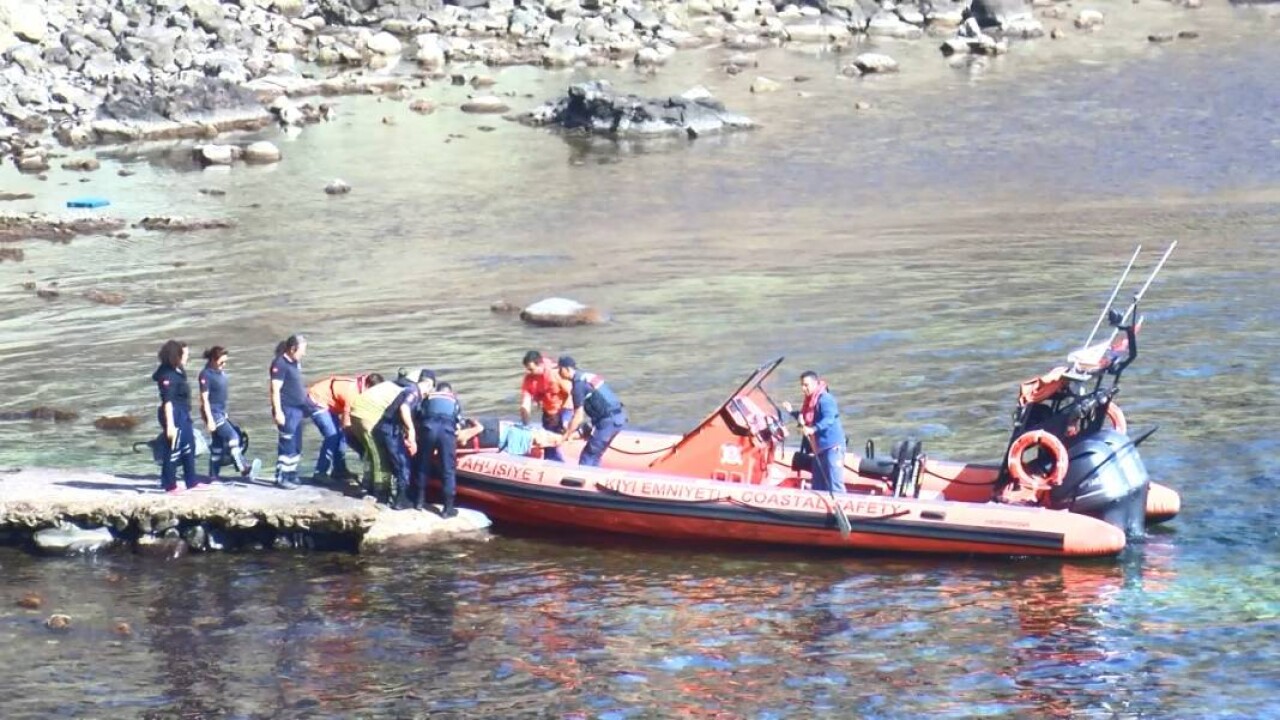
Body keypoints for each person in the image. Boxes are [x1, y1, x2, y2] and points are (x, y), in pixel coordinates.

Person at [375, 369, 435, 509]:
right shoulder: (413, 391)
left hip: (384, 428)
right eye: (430, 389)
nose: (428, 393)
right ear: (428, 384)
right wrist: (411, 431)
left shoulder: (410, 390)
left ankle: (384, 495)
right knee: (403, 465)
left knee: (390, 463)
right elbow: (404, 408)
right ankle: (401, 501)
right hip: (390, 430)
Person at [198, 346, 258, 482]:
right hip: (213, 414)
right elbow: (204, 399)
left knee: (218, 445)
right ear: (213, 360)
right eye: (221, 362)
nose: (224, 365)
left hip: (220, 413)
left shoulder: (219, 372)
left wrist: (224, 414)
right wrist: (209, 420)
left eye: (225, 362)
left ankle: (213, 475)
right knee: (234, 437)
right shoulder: (205, 375)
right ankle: (243, 467)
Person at [782, 371, 847, 494]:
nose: (803, 388)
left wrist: (813, 429)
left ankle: (842, 503)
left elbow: (829, 419)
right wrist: (792, 412)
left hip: (832, 446)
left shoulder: (825, 399)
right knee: (817, 483)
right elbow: (806, 418)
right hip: (818, 448)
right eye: (802, 385)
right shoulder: (809, 401)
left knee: (835, 482)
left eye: (806, 385)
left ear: (815, 383)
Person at [268, 334, 317, 490]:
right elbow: (274, 390)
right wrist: (278, 412)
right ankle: (282, 476)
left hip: (298, 410)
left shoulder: (295, 363)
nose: (304, 353)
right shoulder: (279, 364)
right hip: (287, 410)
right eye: (302, 350)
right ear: (292, 349)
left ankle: (292, 473)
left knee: (296, 444)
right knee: (287, 443)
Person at [558, 356, 627, 467]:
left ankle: (586, 480)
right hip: (618, 418)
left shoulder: (578, 386)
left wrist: (566, 435)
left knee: (588, 456)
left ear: (566, 369)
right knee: (596, 454)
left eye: (560, 369)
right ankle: (596, 476)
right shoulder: (587, 377)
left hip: (608, 422)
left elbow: (578, 417)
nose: (559, 372)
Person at [152, 340, 200, 493]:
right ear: (176, 355)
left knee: (189, 446)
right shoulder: (168, 375)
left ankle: (191, 481)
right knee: (173, 449)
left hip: (183, 413)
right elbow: (168, 402)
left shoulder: (177, 370)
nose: (187, 357)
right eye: (184, 354)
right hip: (173, 413)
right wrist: (171, 426)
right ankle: (169, 484)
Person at [307, 374, 370, 484]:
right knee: (332, 436)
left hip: (330, 404)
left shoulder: (361, 387)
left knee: (342, 436)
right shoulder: (352, 394)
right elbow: (346, 423)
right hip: (316, 400)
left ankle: (339, 470)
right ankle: (320, 473)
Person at [415, 381, 463, 517]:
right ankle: (447, 510)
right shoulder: (454, 400)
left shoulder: (428, 397)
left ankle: (419, 502)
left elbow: (419, 414)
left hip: (428, 429)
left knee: (423, 464)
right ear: (450, 391)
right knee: (448, 469)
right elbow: (458, 420)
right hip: (446, 433)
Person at [347, 373, 398, 498]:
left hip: (355, 415)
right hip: (367, 418)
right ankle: (381, 490)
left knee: (369, 453)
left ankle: (367, 483)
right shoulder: (402, 393)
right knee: (380, 455)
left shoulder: (388, 387)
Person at [519, 350, 573, 462]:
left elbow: (572, 394)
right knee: (548, 444)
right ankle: (551, 461)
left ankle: (562, 461)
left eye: (531, 369)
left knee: (556, 441)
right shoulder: (529, 379)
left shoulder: (555, 373)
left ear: (540, 364)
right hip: (548, 412)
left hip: (563, 410)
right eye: (527, 369)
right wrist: (525, 425)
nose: (529, 372)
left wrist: (566, 419)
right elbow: (526, 403)